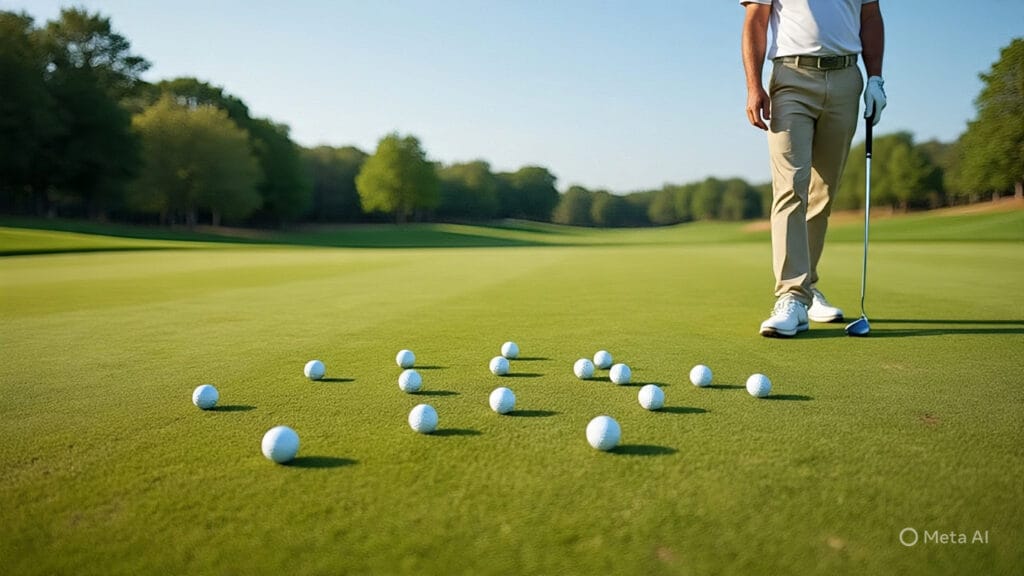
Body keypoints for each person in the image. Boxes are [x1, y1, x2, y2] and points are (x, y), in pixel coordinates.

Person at [741, 0, 886, 337]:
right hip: (791, 77)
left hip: (848, 79)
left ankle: (808, 288)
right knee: (792, 185)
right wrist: (753, 85)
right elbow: (756, 19)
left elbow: (870, 16)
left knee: (823, 192)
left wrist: (876, 79)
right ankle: (791, 295)